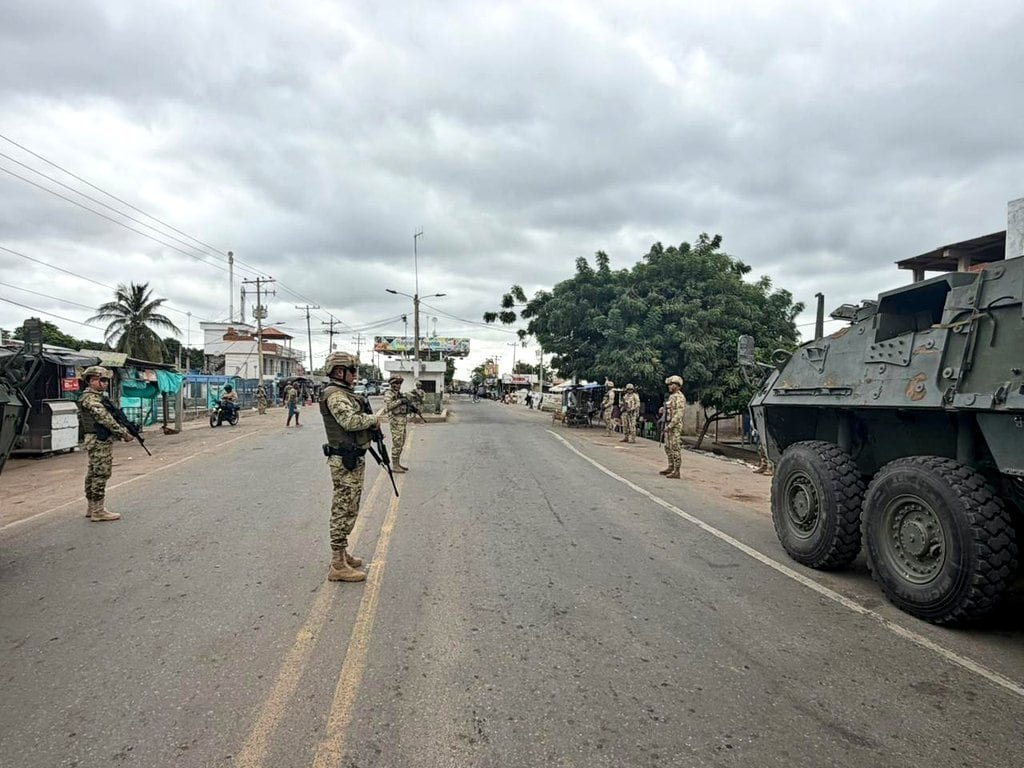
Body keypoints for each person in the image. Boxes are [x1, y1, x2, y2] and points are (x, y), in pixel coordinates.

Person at [320, 351, 384, 582]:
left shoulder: (344, 393)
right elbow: (350, 421)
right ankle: (337, 564)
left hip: (353, 459)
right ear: (339, 371)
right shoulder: (336, 395)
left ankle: (342, 554)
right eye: (352, 370)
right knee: (343, 508)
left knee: (350, 507)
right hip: (344, 462)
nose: (355, 375)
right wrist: (373, 419)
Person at [76, 366, 134, 521]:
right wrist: (123, 433)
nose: (105, 383)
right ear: (91, 380)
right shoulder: (91, 399)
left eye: (106, 380)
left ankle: (92, 507)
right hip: (98, 440)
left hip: (96, 439)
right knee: (101, 473)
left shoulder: (96, 397)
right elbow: (105, 419)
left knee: (93, 473)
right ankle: (98, 510)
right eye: (102, 380)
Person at [660, 375, 687, 478]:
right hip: (668, 424)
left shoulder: (679, 397)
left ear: (677, 385)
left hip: (674, 426)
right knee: (667, 447)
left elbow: (679, 414)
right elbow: (670, 410)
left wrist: (670, 425)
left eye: (672, 384)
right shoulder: (672, 397)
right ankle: (670, 466)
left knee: (675, 448)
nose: (670, 386)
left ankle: (677, 471)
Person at [382, 375, 410, 472]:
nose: (398, 385)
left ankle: (397, 463)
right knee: (397, 443)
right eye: (396, 383)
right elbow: (388, 407)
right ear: (392, 384)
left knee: (401, 443)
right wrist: (400, 401)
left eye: (399, 383)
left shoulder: (399, 394)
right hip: (395, 422)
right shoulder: (389, 394)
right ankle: (394, 465)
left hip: (402, 421)